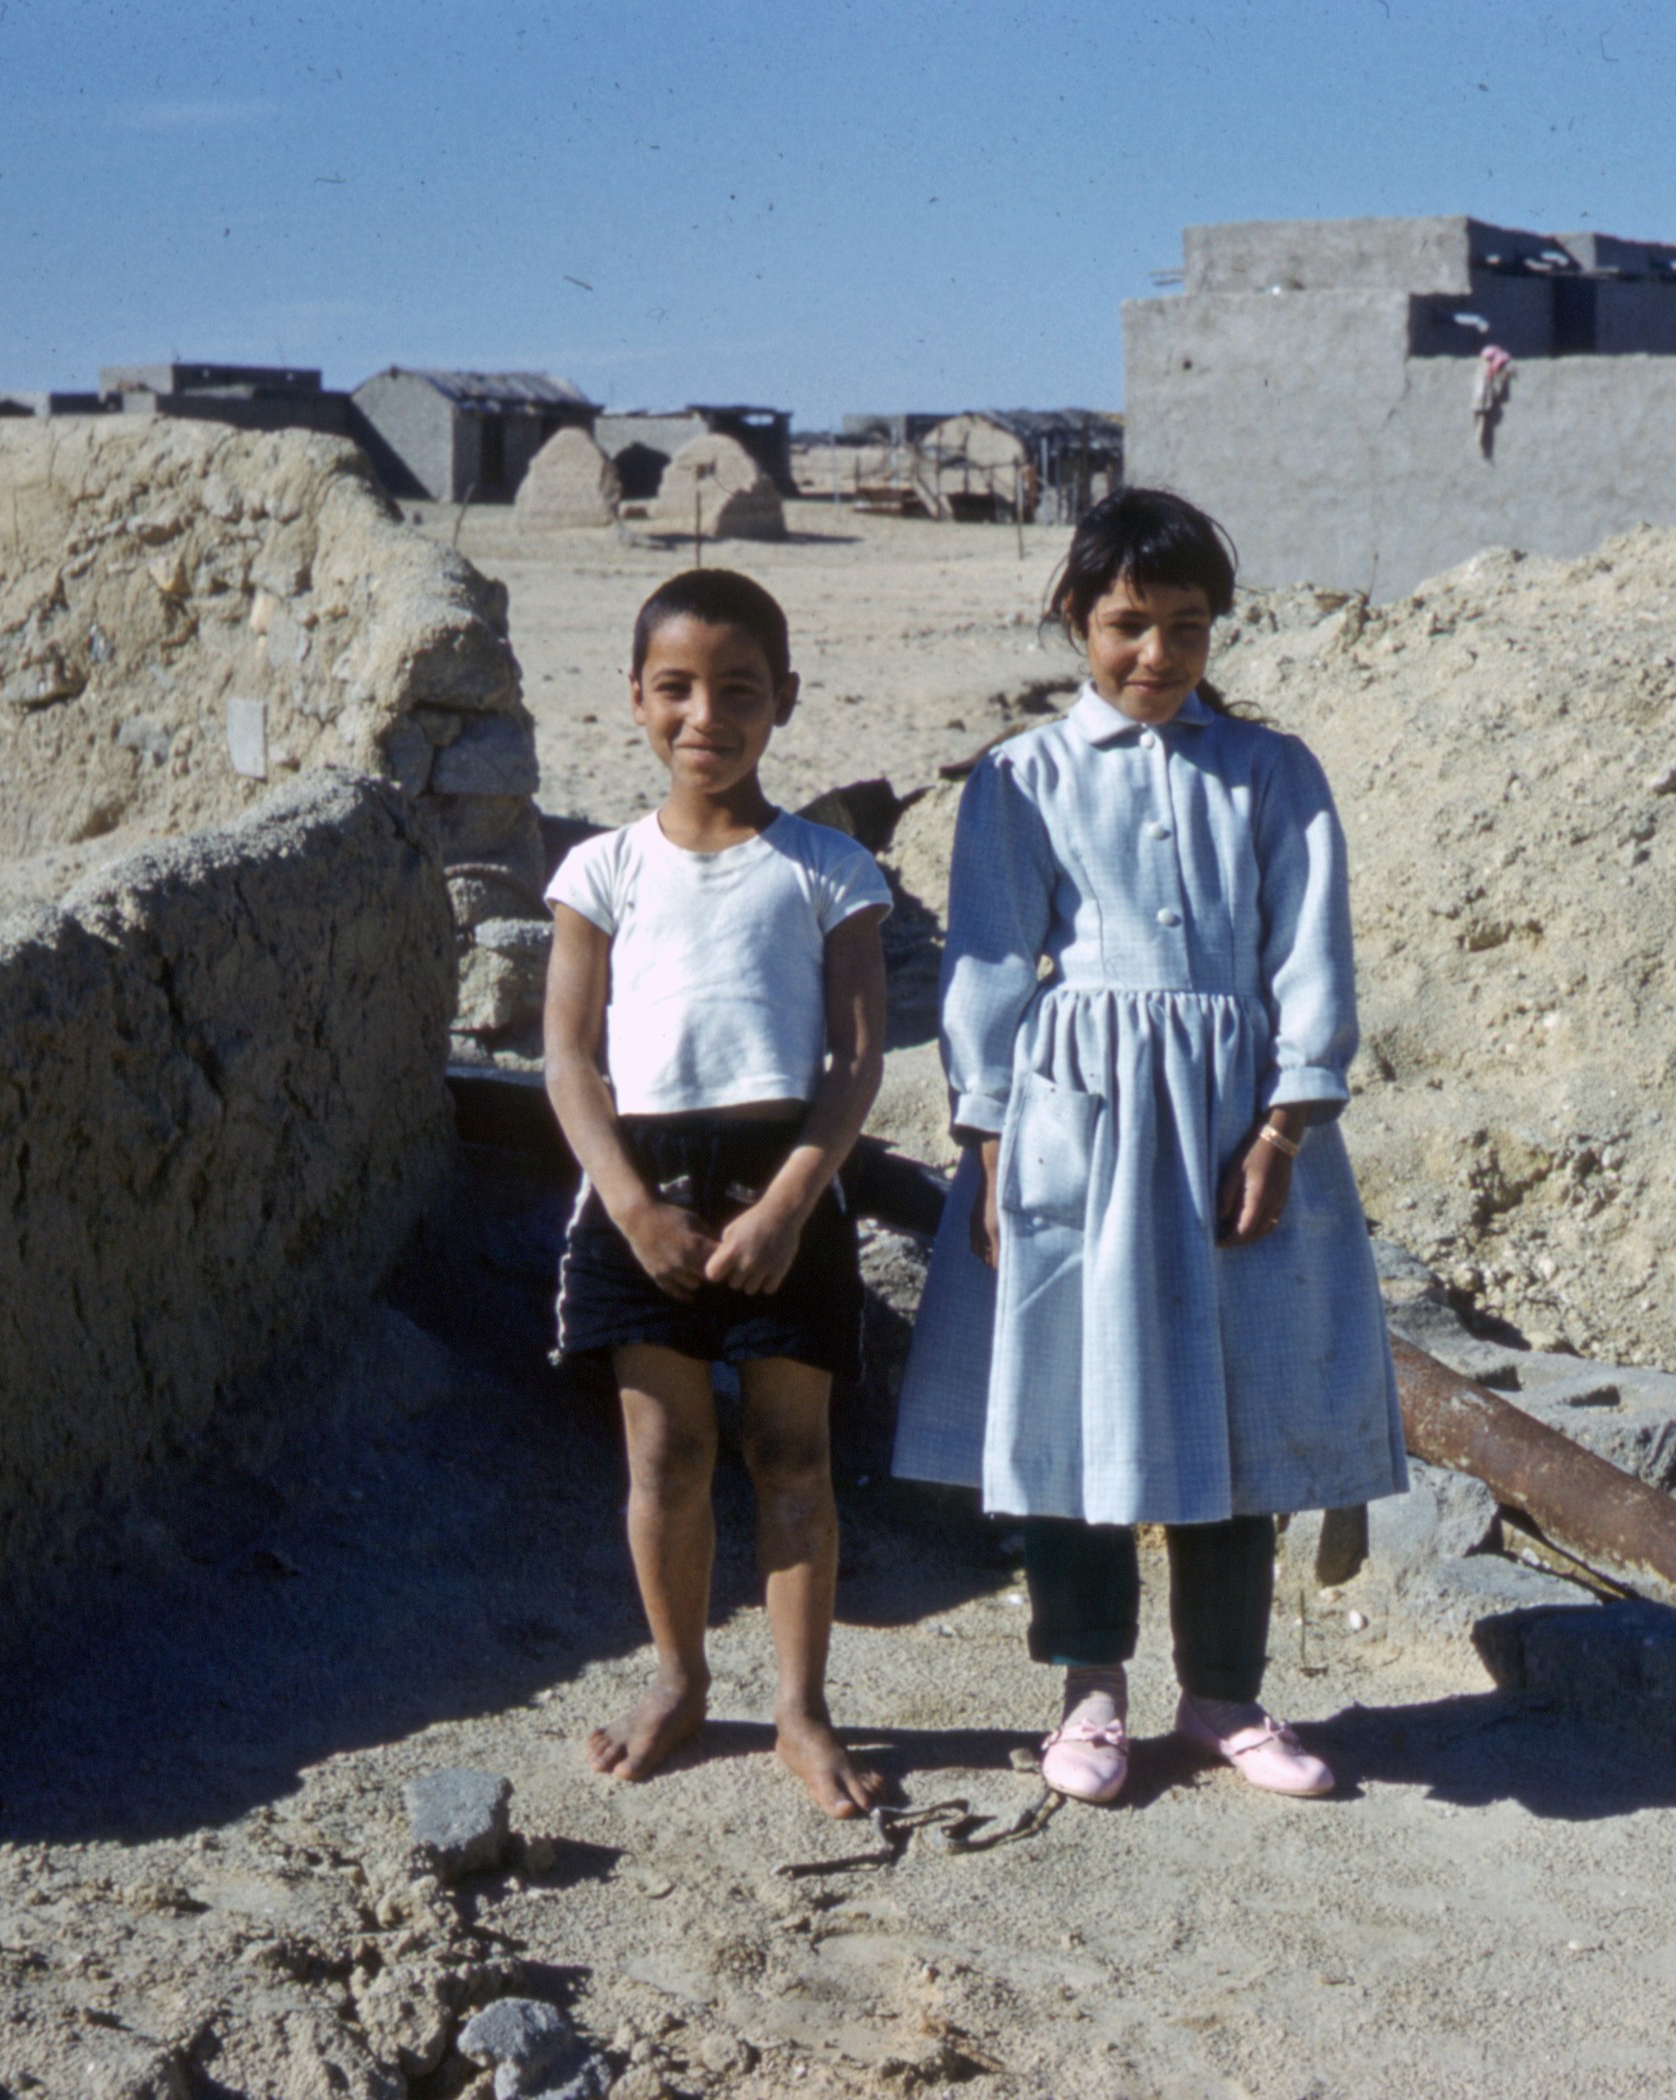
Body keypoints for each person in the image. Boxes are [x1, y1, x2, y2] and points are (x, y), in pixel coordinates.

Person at [893, 488, 1405, 1804]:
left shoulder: (1274, 774)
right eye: (1127, 625)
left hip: (1235, 1128)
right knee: (1081, 1398)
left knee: (1236, 1401)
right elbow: (986, 970)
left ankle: (1226, 1698)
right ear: (1075, 617)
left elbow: (1308, 954)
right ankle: (1088, 1692)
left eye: (1185, 628)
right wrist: (996, 1145)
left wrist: (1286, 1126)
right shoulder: (1023, 778)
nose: (1156, 657)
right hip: (1079, 1128)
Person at [541, 568, 893, 1817]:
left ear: (784, 700)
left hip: (781, 1183)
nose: (707, 716)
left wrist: (792, 1201)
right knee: (669, 1453)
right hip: (640, 1192)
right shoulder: (601, 870)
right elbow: (570, 1057)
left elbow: (856, 1061)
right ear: (635, 699)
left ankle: (800, 1708)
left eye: (738, 689)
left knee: (792, 1454)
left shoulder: (828, 868)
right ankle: (680, 1681)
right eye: (677, 689)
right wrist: (632, 1208)